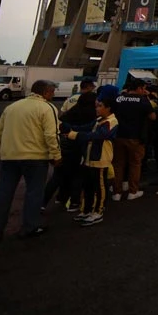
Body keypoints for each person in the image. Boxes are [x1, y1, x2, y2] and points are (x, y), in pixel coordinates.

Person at [0, 80, 61, 241]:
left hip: (9, 156)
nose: (53, 95)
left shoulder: (12, 107)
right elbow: (51, 135)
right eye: (52, 92)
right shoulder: (47, 108)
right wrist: (56, 155)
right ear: (46, 92)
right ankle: (30, 226)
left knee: (3, 192)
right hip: (35, 157)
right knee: (34, 192)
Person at [66, 96, 118, 226]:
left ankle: (98, 212)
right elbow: (85, 128)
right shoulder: (99, 120)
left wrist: (75, 135)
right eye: (97, 106)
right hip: (90, 158)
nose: (97, 108)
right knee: (88, 186)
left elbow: (99, 135)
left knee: (99, 187)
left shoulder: (111, 121)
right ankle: (87, 210)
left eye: (100, 106)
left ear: (108, 108)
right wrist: (67, 127)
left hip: (101, 159)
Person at [44, 91, 97, 212]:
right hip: (79, 147)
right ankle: (74, 202)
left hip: (64, 146)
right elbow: (88, 130)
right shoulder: (92, 115)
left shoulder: (71, 112)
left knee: (58, 175)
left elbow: (60, 124)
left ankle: (46, 201)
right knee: (77, 176)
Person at [111, 79, 156, 201]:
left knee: (118, 164)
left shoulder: (119, 98)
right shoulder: (143, 100)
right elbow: (153, 117)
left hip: (118, 135)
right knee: (135, 164)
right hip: (136, 137)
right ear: (140, 88)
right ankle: (133, 191)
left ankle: (116, 192)